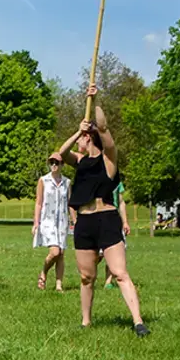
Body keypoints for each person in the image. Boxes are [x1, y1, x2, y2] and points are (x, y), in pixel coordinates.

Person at [53, 85, 149, 336]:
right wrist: (77, 132)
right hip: (84, 223)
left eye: (85, 136)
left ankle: (138, 321)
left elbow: (104, 129)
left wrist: (94, 100)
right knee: (87, 277)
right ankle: (86, 321)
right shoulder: (80, 161)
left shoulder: (108, 160)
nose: (83, 139)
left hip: (106, 219)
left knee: (119, 272)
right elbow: (60, 153)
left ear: (91, 139)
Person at [33, 154, 72, 292]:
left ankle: (59, 285)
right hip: (47, 220)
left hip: (62, 221)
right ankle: (43, 272)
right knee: (55, 252)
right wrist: (36, 222)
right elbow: (38, 202)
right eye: (51, 162)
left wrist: (74, 220)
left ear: (62, 165)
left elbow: (70, 203)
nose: (54, 165)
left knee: (61, 253)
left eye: (57, 162)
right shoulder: (43, 180)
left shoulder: (67, 182)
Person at [104, 178, 131, 288]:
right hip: (99, 218)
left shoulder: (117, 182)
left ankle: (108, 281)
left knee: (114, 252)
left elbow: (121, 202)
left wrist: (125, 222)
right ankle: (89, 277)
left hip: (114, 218)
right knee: (97, 255)